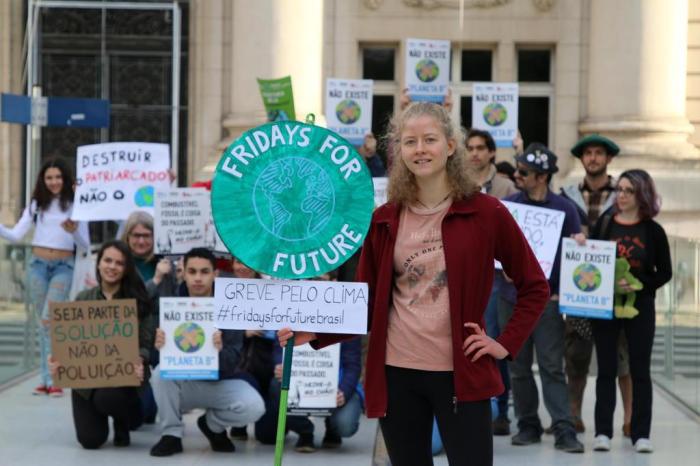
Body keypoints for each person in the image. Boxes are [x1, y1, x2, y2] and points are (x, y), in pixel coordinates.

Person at [278, 102, 550, 466]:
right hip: (397, 373)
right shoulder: (385, 218)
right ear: (399, 151)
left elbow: (535, 285)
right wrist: (314, 333)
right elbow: (367, 299)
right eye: (409, 142)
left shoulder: (487, 213)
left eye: (430, 139)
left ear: (451, 146)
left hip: (462, 373)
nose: (420, 149)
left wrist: (504, 343)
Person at [498, 143, 586, 453]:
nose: (518, 175)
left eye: (524, 172)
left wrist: (580, 243)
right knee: (518, 366)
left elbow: (576, 255)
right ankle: (528, 424)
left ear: (542, 177)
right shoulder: (508, 205)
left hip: (547, 301)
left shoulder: (566, 209)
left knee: (551, 365)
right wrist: (503, 267)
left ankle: (563, 427)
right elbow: (495, 249)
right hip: (511, 297)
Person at [149, 248, 265, 457]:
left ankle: (212, 426)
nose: (198, 278)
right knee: (158, 374)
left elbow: (232, 364)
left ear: (215, 274)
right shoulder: (172, 307)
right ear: (183, 273)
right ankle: (171, 434)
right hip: (185, 384)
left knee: (254, 406)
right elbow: (158, 360)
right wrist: (160, 347)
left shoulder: (229, 307)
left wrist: (218, 352)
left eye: (204, 272)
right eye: (192, 272)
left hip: (218, 382)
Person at [590, 169, 672, 454]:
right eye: (620, 190)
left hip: (640, 307)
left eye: (628, 191)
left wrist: (638, 285)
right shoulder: (604, 224)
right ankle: (602, 432)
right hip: (605, 307)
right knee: (606, 369)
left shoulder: (653, 231)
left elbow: (665, 273)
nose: (621, 196)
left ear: (642, 195)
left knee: (640, 370)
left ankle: (641, 433)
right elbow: (591, 257)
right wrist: (581, 242)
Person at [48, 240, 155, 449]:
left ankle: (123, 421)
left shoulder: (138, 302)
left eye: (119, 263)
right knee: (90, 440)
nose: (112, 267)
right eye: (107, 260)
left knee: (108, 398)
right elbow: (69, 344)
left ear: (126, 269)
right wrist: (57, 361)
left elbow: (146, 342)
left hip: (123, 381)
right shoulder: (83, 300)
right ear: (98, 264)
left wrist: (140, 360)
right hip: (86, 385)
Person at [559, 134, 632, 436]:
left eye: (598, 153)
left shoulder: (624, 195)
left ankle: (630, 420)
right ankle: (573, 414)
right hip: (580, 288)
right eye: (587, 153)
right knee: (576, 356)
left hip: (614, 289)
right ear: (582, 158)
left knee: (622, 359)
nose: (592, 158)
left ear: (608, 158)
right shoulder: (567, 195)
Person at [0, 157, 90, 397]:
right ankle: (46, 378)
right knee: (45, 323)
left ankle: (53, 379)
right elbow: (16, 235)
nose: (54, 182)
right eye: (49, 177)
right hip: (38, 265)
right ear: (43, 179)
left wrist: (73, 231)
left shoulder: (76, 205)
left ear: (66, 178)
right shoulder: (36, 205)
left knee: (50, 320)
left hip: (63, 266)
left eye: (58, 177)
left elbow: (85, 244)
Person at [464, 128, 517, 435]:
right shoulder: (456, 184)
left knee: (493, 339)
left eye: (481, 147)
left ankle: (501, 408)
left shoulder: (507, 187)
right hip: (467, 273)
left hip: (497, 276)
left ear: (492, 152)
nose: (475, 153)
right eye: (469, 147)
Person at [255, 337, 364, 452]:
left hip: (338, 384)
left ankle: (332, 429)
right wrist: (280, 365)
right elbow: (279, 348)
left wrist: (344, 391)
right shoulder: (292, 319)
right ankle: (305, 431)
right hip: (298, 380)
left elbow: (352, 365)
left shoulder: (348, 323)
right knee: (277, 387)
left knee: (345, 425)